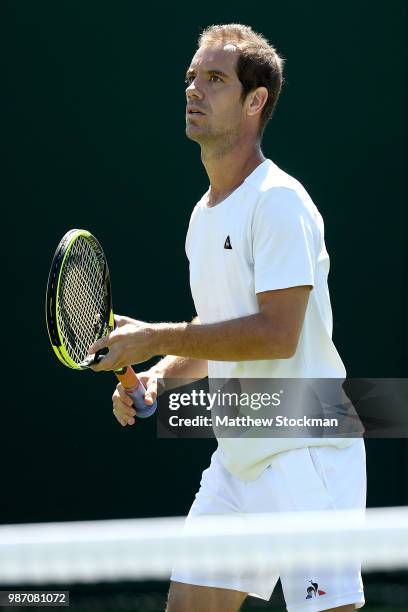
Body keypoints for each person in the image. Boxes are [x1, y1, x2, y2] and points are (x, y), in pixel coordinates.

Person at [89, 23, 366, 612]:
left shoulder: (278, 201)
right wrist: (161, 376)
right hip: (238, 458)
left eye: (215, 79)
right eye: (192, 77)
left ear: (254, 101)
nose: (194, 89)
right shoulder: (202, 216)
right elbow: (220, 326)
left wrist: (152, 339)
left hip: (305, 449)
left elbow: (276, 334)